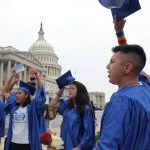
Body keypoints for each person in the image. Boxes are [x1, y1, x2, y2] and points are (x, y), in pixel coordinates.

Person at [93, 44, 150, 150]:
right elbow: (138, 67)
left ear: (127, 67)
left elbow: (107, 147)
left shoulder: (121, 100)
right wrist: (119, 33)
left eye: (112, 61)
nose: (107, 66)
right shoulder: (146, 90)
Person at [2, 68, 46, 150]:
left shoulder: (32, 108)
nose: (17, 95)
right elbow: (5, 92)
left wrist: (38, 77)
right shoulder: (13, 106)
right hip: (13, 143)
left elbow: (41, 93)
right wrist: (12, 76)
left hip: (27, 144)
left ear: (26, 95)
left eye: (19, 93)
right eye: (17, 93)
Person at [52, 81, 95, 150]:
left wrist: (80, 147)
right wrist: (60, 91)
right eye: (70, 88)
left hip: (76, 145)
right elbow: (53, 105)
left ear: (79, 92)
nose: (70, 90)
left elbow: (88, 131)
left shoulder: (85, 108)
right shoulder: (67, 104)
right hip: (64, 143)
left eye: (73, 89)